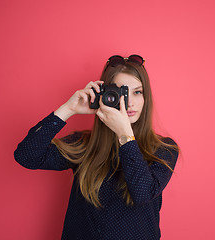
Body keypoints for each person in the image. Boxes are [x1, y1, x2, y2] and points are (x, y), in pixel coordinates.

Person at [14, 54, 181, 240]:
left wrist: (125, 135)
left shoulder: (163, 149)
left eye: (137, 92)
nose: (130, 102)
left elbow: (142, 194)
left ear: (146, 97)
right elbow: (26, 155)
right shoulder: (85, 144)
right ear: (105, 95)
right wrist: (67, 109)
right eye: (121, 93)